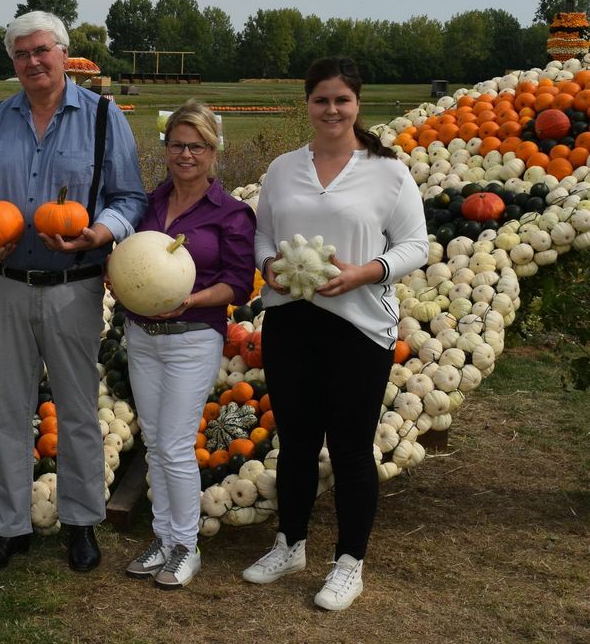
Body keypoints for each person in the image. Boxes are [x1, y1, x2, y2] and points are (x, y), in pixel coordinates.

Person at [0, 11, 147, 572]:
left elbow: (129, 196)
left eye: (42, 50)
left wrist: (100, 231)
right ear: (12, 62)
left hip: (75, 286)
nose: (33, 62)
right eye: (21, 54)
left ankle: (82, 523)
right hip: (8, 285)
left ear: (64, 54)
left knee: (78, 411)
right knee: (10, 411)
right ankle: (10, 528)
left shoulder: (105, 118)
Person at [241, 56, 428, 610]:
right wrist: (269, 265)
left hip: (359, 327)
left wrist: (363, 273)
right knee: (296, 442)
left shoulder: (387, 171)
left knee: (349, 449)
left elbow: (416, 245)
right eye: (321, 99)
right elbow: (262, 235)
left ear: (357, 104)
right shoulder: (282, 169)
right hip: (291, 323)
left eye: (341, 100)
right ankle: (290, 543)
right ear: (307, 104)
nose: (331, 109)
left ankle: (349, 563)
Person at [116, 101, 256, 589]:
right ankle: (163, 537)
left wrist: (189, 298)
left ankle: (186, 546)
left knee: (175, 444)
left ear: (213, 150)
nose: (186, 154)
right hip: (142, 333)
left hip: (193, 336)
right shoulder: (151, 202)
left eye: (196, 145)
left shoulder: (232, 214)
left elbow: (239, 285)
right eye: (177, 145)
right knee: (155, 442)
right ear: (166, 149)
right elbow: (135, 260)